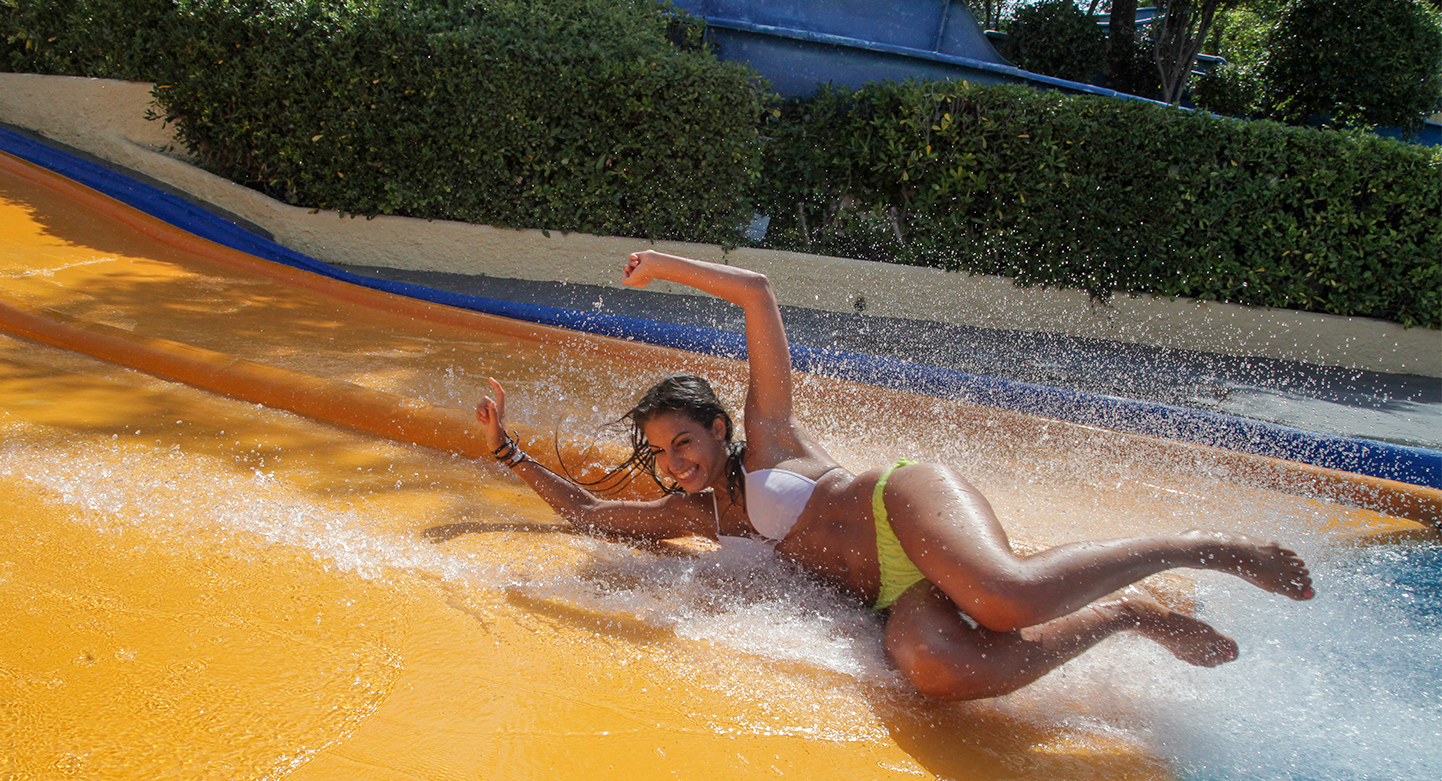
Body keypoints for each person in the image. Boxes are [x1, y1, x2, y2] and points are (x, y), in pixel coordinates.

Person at [475, 251, 1314, 701]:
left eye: (685, 440)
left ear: (719, 429)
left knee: (1005, 600)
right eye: (660, 452)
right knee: (936, 670)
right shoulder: (698, 516)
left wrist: (663, 266)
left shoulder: (766, 438)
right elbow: (587, 513)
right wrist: (508, 453)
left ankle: (1203, 546)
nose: (675, 461)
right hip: (894, 596)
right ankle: (1129, 614)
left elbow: (758, 296)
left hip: (903, 506)